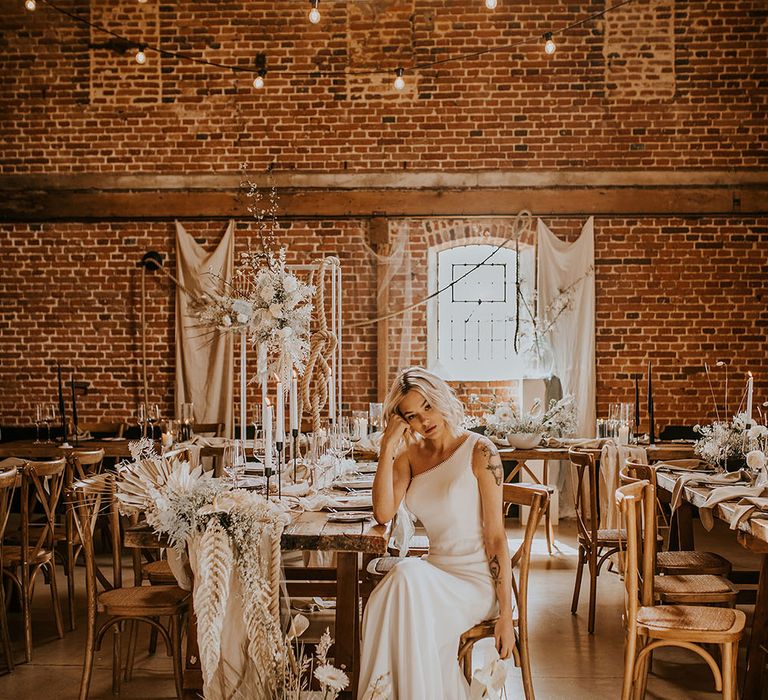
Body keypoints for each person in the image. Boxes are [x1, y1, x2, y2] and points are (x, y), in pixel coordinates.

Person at [357, 367, 514, 700]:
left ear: (441, 398)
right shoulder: (409, 457)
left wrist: (506, 614)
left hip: (473, 583)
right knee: (397, 590)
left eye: (428, 406)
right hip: (433, 575)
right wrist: (388, 447)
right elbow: (383, 512)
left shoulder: (480, 451)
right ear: (403, 421)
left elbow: (497, 538)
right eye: (412, 416)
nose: (424, 420)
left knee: (403, 578)